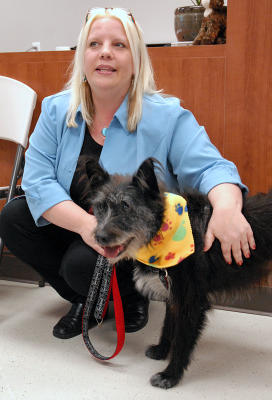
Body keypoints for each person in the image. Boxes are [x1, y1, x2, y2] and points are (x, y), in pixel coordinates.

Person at [0, 7, 255, 340]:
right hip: (83, 223)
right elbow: (36, 181)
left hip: (134, 239)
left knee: (81, 266)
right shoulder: (56, 110)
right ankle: (87, 300)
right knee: (13, 217)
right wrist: (85, 226)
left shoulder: (166, 117)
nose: (105, 51)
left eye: (118, 45)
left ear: (135, 62)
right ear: (82, 59)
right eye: (95, 44)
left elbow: (212, 168)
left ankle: (134, 297)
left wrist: (227, 208)